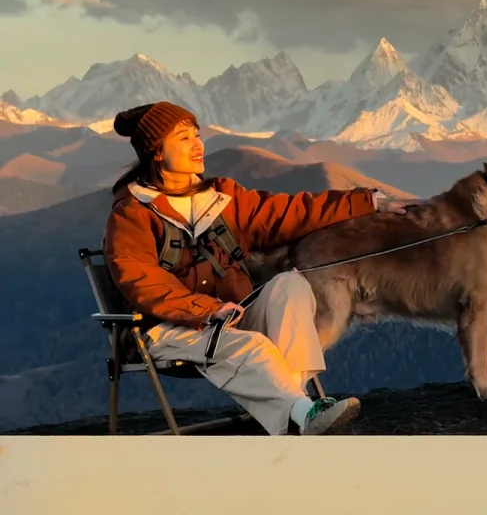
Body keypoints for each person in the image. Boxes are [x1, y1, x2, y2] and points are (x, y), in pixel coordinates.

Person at [103, 102, 414, 435]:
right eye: (183, 138)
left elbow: (290, 212)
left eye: (197, 135)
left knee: (290, 286)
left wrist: (369, 202)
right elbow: (142, 282)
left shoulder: (221, 196)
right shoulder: (132, 214)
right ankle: (303, 414)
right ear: (157, 152)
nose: (198, 146)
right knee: (253, 346)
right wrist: (207, 310)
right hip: (168, 329)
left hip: (231, 315)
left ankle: (297, 410)